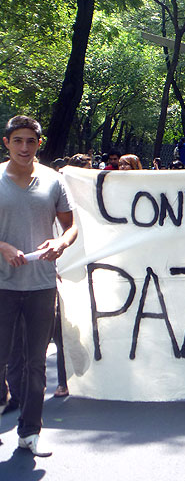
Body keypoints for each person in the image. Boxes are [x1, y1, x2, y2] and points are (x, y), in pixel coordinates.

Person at [0, 115, 78, 456]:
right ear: (7, 142)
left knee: (35, 362)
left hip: (40, 285)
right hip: (2, 285)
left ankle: (29, 433)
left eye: (30, 141)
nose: (24, 147)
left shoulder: (53, 180)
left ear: (39, 144)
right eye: (18, 140)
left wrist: (60, 243)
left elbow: (72, 226)